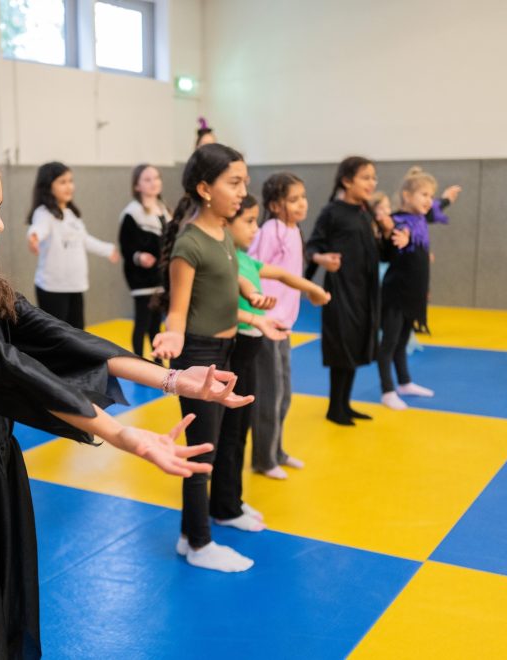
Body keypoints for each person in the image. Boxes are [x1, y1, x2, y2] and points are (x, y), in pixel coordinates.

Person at [0, 137, 254, 658]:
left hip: (0, 474)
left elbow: (58, 338)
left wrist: (173, 380)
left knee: (6, 616)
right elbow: (6, 370)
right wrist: (121, 434)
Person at [152, 144, 288, 573]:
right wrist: (172, 338)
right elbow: (178, 310)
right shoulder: (189, 244)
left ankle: (192, 530)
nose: (243, 191)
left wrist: (254, 306)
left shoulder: (224, 235)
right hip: (200, 355)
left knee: (222, 442)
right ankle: (199, 542)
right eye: (234, 182)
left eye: (244, 182)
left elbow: (230, 286)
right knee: (201, 454)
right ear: (205, 189)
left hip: (227, 351)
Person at [229, 192, 329, 481]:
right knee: (266, 397)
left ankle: (275, 451)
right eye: (249, 221)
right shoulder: (230, 260)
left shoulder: (247, 259)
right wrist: (256, 306)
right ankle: (264, 457)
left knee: (283, 393)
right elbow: (237, 293)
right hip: (253, 335)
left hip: (276, 325)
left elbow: (284, 275)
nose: (255, 229)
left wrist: (314, 289)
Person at [304, 157, 408, 425]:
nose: (372, 183)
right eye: (365, 177)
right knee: (342, 346)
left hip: (366, 293)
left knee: (355, 345)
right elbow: (312, 247)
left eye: (374, 177)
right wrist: (321, 260)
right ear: (347, 181)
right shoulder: (332, 212)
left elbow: (382, 255)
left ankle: (345, 404)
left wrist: (390, 236)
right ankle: (334, 408)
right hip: (342, 291)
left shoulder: (366, 212)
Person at [378, 167, 451, 410]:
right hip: (396, 292)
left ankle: (405, 383)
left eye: (431, 195)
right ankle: (387, 391)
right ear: (407, 196)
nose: (429, 200)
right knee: (389, 343)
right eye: (424, 195)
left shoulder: (420, 219)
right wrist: (401, 239)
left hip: (413, 292)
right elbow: (392, 244)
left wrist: (446, 199)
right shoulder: (398, 221)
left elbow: (437, 208)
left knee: (402, 341)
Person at [26, 161, 119, 329]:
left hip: (75, 285)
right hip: (53, 288)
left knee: (77, 333)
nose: (69, 186)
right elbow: (39, 228)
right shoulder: (44, 213)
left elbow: (84, 240)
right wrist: (33, 237)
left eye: (70, 181)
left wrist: (108, 250)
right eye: (62, 182)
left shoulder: (71, 214)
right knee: (56, 335)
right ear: (48, 187)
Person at [118, 163, 169, 357]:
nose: (153, 183)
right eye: (147, 179)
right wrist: (139, 257)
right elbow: (126, 246)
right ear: (137, 186)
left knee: (156, 323)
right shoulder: (132, 213)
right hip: (141, 277)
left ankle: (158, 361)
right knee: (142, 321)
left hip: (160, 276)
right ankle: (138, 360)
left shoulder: (164, 210)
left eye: (156, 178)